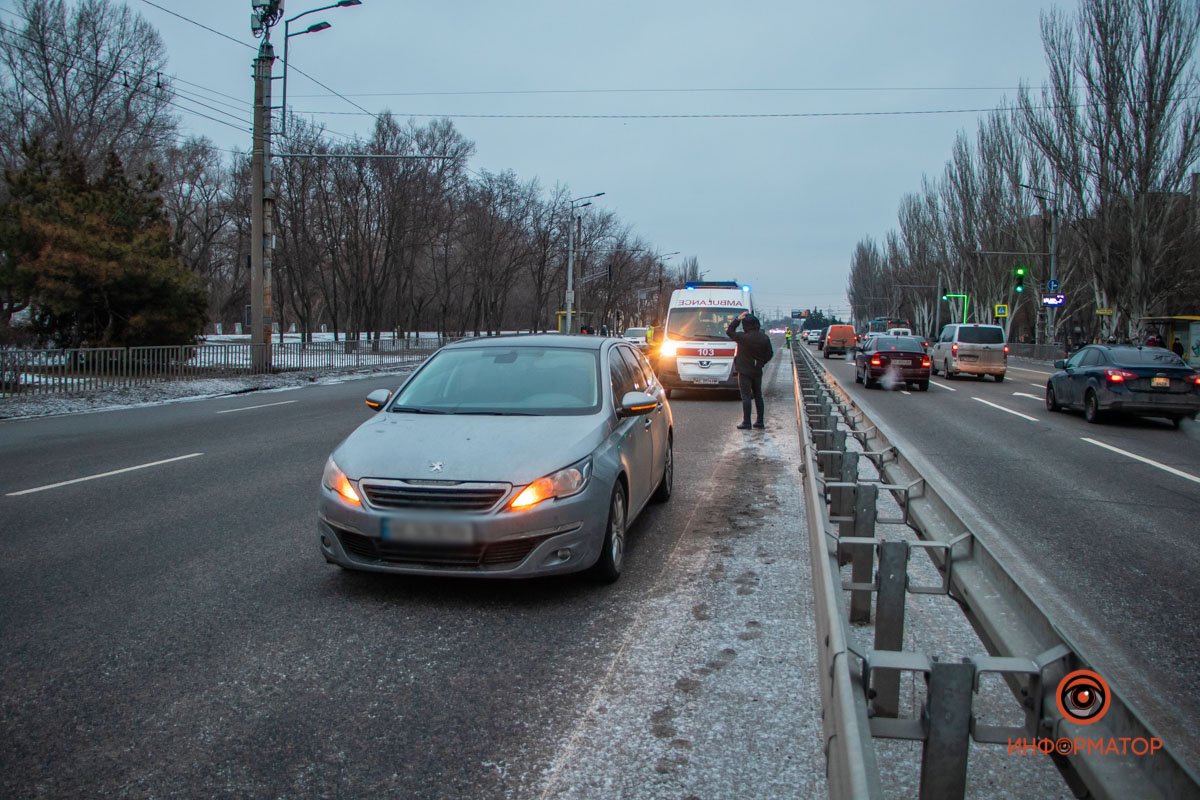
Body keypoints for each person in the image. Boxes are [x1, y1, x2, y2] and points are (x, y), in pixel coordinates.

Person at [726, 311, 773, 430]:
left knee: (746, 396)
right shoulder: (764, 338)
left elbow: (729, 331)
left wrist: (737, 319)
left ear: (745, 325)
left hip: (744, 371)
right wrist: (761, 363)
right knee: (758, 396)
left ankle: (747, 422)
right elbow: (770, 354)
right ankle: (760, 421)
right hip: (757, 371)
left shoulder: (743, 337)